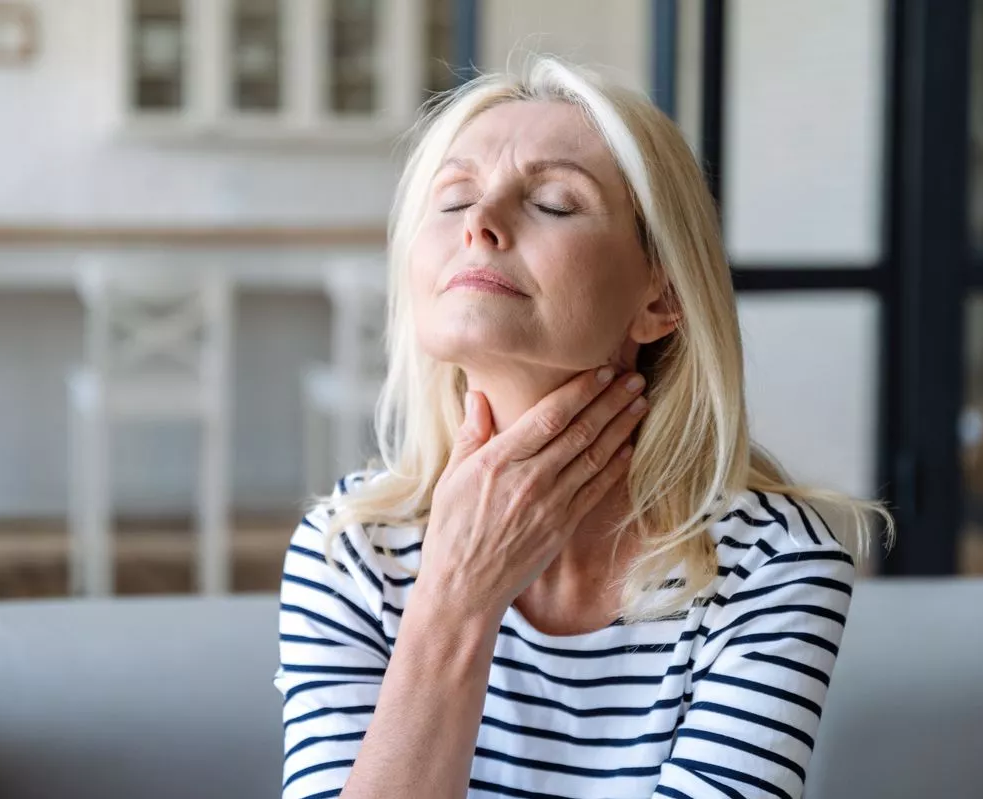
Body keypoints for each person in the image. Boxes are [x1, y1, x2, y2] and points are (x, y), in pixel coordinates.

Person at [275, 56, 891, 799]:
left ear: (661, 298)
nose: (479, 222)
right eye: (454, 197)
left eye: (556, 203)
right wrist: (455, 601)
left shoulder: (773, 564)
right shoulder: (348, 550)